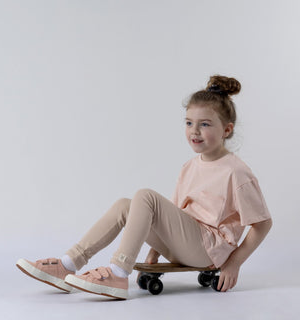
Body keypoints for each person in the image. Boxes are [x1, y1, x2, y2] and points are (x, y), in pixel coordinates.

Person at [16, 75, 272, 300]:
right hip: (187, 242)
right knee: (125, 205)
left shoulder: (236, 172)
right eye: (188, 123)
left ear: (227, 130)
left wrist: (234, 264)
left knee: (145, 196)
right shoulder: (190, 167)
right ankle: (69, 263)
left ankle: (118, 272)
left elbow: (263, 224)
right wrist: (155, 250)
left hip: (209, 249)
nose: (195, 131)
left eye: (205, 124)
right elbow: (171, 215)